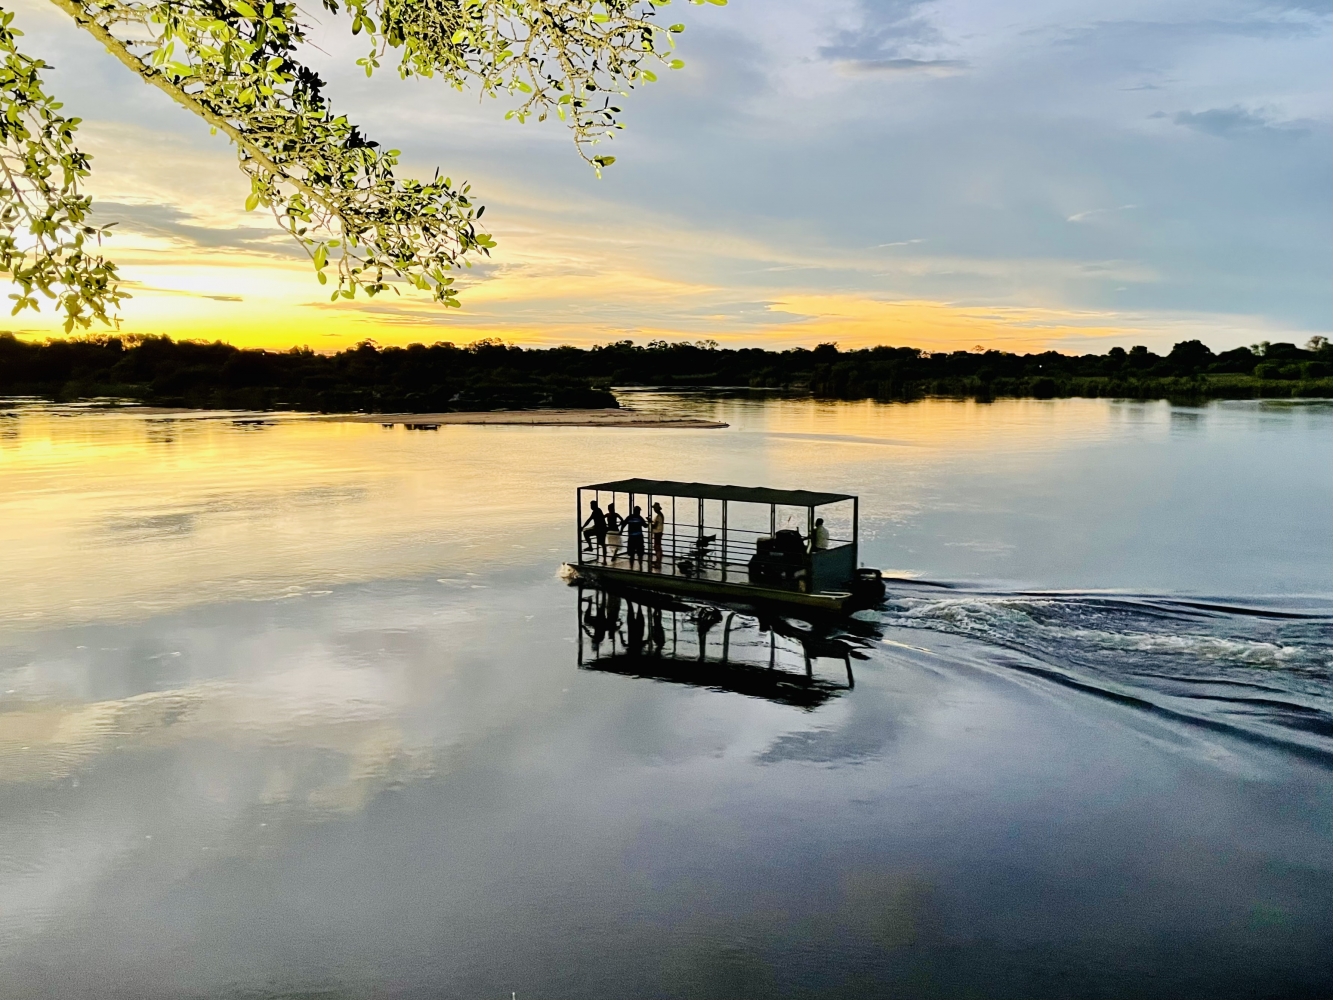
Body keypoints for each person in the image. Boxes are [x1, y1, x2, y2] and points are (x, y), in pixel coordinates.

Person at [624, 504, 648, 569]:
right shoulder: (640, 518)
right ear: (638, 511)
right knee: (640, 553)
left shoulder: (629, 517)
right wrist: (649, 521)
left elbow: (624, 523)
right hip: (639, 538)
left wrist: (621, 531)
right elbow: (645, 526)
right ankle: (640, 566)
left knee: (631, 554)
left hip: (631, 537)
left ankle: (631, 567)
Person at [650, 502, 665, 566]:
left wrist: (650, 522)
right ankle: (658, 560)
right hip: (659, 532)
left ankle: (658, 562)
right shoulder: (660, 515)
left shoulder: (658, 516)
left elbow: (655, 526)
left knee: (657, 547)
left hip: (657, 533)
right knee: (657, 546)